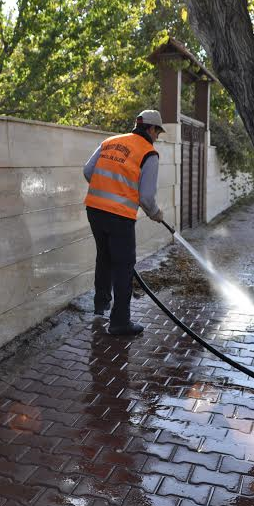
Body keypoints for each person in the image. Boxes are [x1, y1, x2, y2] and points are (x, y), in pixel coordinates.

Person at [83, 109, 165, 336]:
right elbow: (146, 197)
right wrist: (156, 213)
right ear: (150, 129)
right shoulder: (149, 153)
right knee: (123, 266)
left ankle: (100, 306)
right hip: (119, 216)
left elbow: (88, 171)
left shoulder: (110, 141)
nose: (157, 137)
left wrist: (107, 189)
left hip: (94, 209)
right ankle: (120, 322)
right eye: (157, 132)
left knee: (104, 257)